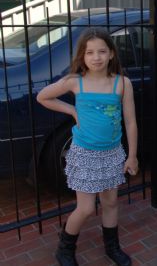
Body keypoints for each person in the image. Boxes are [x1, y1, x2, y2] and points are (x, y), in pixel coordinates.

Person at [37, 27, 138, 266]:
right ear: (82, 56)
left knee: (111, 202)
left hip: (113, 153)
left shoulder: (122, 84)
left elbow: (131, 121)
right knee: (85, 208)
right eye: (90, 52)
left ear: (111, 54)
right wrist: (71, 109)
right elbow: (43, 96)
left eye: (102, 51)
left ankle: (112, 246)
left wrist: (132, 156)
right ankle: (65, 249)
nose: (96, 57)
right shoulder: (75, 82)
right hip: (84, 154)